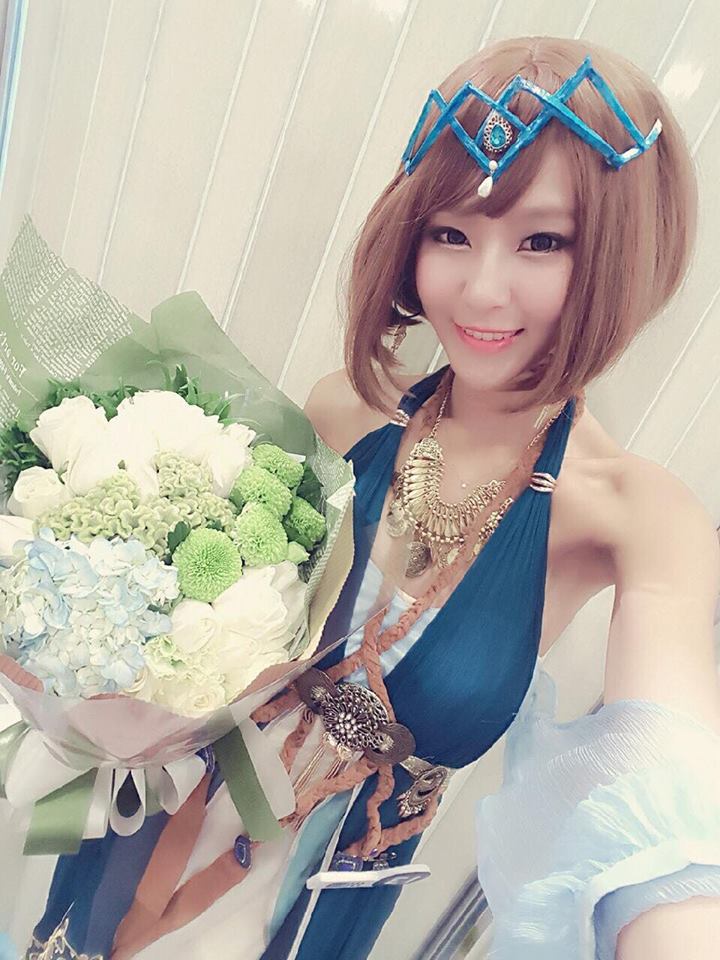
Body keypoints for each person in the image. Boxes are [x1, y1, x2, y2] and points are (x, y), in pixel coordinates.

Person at [21, 34, 720, 960]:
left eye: (543, 241)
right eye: (451, 234)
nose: (482, 289)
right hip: (152, 820)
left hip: (321, 903)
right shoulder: (343, 412)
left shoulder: (641, 521)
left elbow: (666, 801)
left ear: (623, 253)